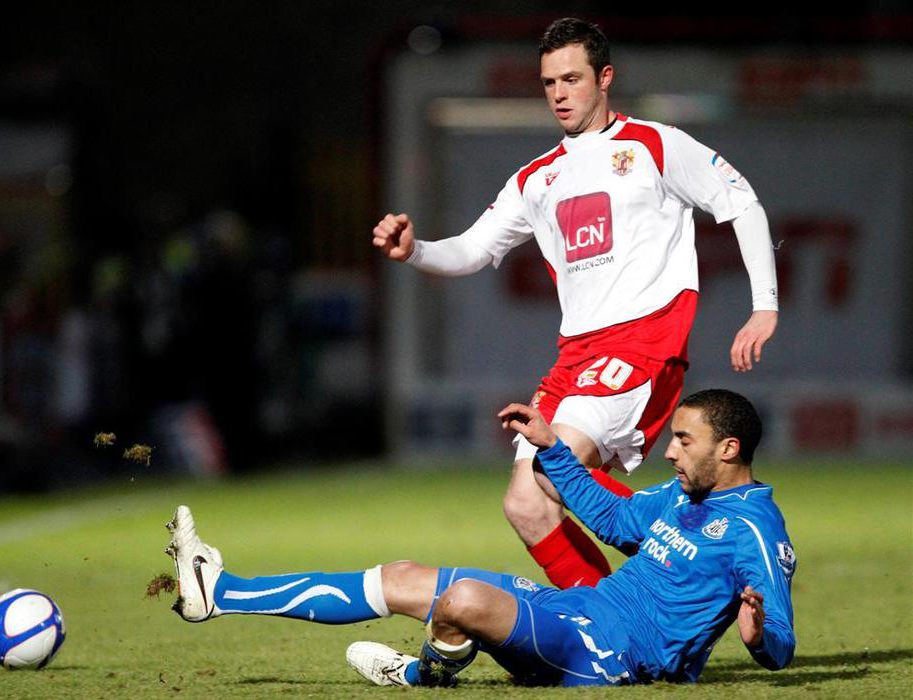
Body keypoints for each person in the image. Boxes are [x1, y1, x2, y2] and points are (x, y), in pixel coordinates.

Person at [372, 18, 780, 591]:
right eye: (549, 83)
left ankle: (701, 543)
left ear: (604, 77)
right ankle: (600, 621)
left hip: (641, 344)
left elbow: (741, 202)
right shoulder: (536, 178)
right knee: (525, 504)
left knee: (553, 467)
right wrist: (415, 250)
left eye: (572, 79)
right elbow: (470, 249)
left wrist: (764, 305)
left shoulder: (654, 145)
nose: (559, 94)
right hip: (575, 357)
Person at [165, 389, 795, 687]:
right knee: (403, 576)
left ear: (728, 448)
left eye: (684, 440)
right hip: (577, 610)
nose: (671, 451)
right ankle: (220, 593)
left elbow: (782, 645)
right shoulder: (682, 496)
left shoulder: (754, 531)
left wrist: (758, 638)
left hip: (609, 654)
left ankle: (422, 674)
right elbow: (611, 518)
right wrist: (551, 447)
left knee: (463, 600)